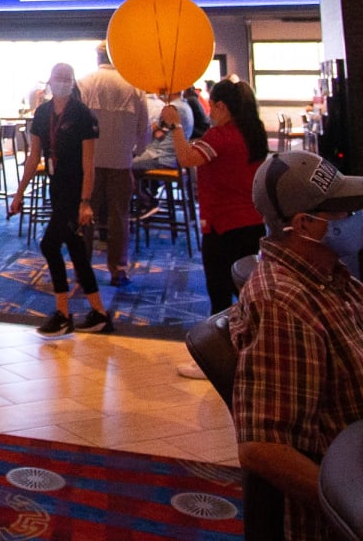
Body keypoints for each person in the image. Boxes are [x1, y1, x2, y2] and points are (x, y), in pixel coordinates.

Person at [231, 151, 363, 541]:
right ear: (305, 225)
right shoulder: (283, 303)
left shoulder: (328, 274)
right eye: (343, 213)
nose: (354, 219)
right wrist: (351, 509)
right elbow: (261, 447)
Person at [9, 63, 113, 337]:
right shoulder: (42, 113)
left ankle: (63, 314)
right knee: (76, 250)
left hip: (76, 190)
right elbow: (34, 156)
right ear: (50, 81)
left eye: (67, 78)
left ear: (72, 82)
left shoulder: (82, 114)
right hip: (56, 187)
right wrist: (19, 192)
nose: (62, 83)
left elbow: (89, 163)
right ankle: (99, 313)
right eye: (58, 78)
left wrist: (86, 201)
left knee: (49, 244)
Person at [165, 78, 267, 315]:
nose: (209, 113)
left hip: (223, 225)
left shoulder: (219, 136)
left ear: (221, 106)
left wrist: (175, 126)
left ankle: (226, 337)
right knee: (249, 295)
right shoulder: (253, 132)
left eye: (211, 107)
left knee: (220, 298)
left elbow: (187, 159)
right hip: (253, 221)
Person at [78, 43, 150, 287]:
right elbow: (144, 131)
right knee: (119, 216)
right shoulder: (134, 86)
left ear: (97, 57)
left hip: (90, 162)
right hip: (121, 161)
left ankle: (83, 268)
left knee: (85, 214)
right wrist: (134, 151)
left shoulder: (85, 83)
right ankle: (118, 269)